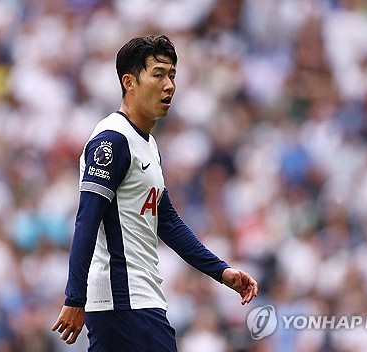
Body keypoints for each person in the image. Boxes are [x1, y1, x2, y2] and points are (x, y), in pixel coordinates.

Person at [51, 34, 258, 351]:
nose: (169, 85)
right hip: (124, 300)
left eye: (173, 75)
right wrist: (74, 296)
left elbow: (168, 221)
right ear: (129, 82)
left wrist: (221, 271)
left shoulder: (147, 144)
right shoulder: (112, 140)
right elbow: (86, 220)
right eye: (158, 74)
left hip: (135, 300)